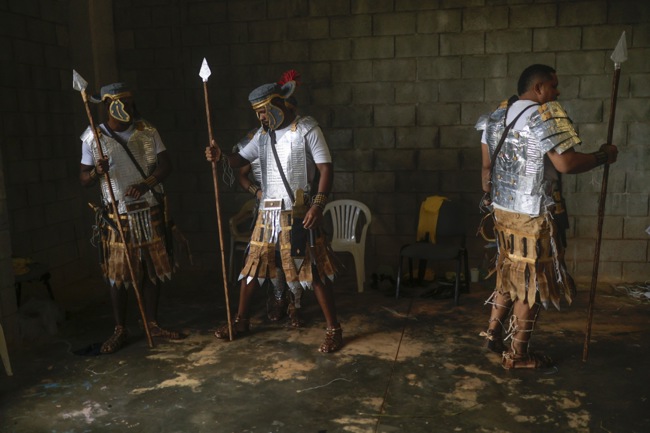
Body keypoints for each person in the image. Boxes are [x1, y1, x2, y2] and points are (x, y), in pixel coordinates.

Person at [475, 64, 618, 369]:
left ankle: (492, 334)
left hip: (502, 211)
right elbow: (566, 163)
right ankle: (517, 356)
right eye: (553, 85)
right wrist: (602, 156)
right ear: (538, 88)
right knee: (532, 281)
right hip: (532, 215)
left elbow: (486, 171)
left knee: (509, 270)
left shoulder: (497, 115)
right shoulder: (544, 116)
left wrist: (499, 197)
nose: (557, 91)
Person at [205, 72, 342, 352]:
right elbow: (239, 160)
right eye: (257, 113)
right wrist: (221, 157)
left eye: (263, 111)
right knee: (252, 267)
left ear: (278, 105)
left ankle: (334, 329)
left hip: (298, 212)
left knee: (312, 270)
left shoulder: (307, 129)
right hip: (267, 213)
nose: (260, 117)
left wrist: (318, 205)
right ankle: (241, 321)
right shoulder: (261, 136)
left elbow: (325, 169)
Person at [79, 82, 183, 354]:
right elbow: (84, 179)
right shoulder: (93, 137)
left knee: (152, 268)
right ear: (108, 106)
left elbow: (166, 165)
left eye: (129, 102)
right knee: (119, 273)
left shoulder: (147, 130)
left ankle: (152, 323)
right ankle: (120, 329)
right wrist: (96, 172)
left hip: (148, 208)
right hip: (118, 213)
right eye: (120, 103)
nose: (127, 107)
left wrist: (147, 184)